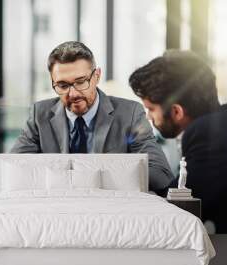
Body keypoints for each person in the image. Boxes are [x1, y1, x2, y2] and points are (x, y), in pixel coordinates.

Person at [10, 41, 174, 191]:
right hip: (57, 211)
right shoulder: (40, 114)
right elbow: (13, 170)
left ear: (97, 76)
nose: (73, 94)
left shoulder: (129, 114)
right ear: (53, 82)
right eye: (62, 85)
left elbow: (161, 175)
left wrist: (93, 177)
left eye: (81, 82)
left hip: (109, 210)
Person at [129, 50, 227, 233]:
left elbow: (178, 207)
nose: (148, 117)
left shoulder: (206, 135)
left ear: (177, 112)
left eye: (151, 109)